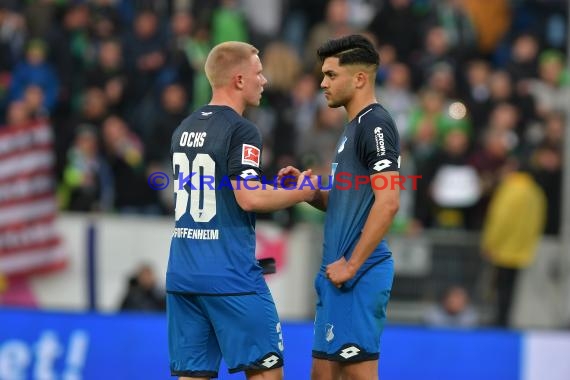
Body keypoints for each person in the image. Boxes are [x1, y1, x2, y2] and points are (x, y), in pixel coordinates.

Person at [166, 41, 316, 380]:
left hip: (183, 274)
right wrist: (301, 192)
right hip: (230, 274)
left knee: (193, 376)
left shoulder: (185, 127)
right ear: (238, 79)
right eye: (258, 73)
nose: (263, 80)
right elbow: (248, 197)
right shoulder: (242, 129)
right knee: (266, 372)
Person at [279, 34, 400, 380]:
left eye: (331, 75)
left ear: (359, 78)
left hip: (358, 274)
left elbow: (388, 203)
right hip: (337, 274)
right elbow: (350, 203)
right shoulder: (353, 128)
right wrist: (310, 192)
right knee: (322, 375)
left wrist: (352, 264)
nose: (322, 83)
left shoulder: (376, 125)